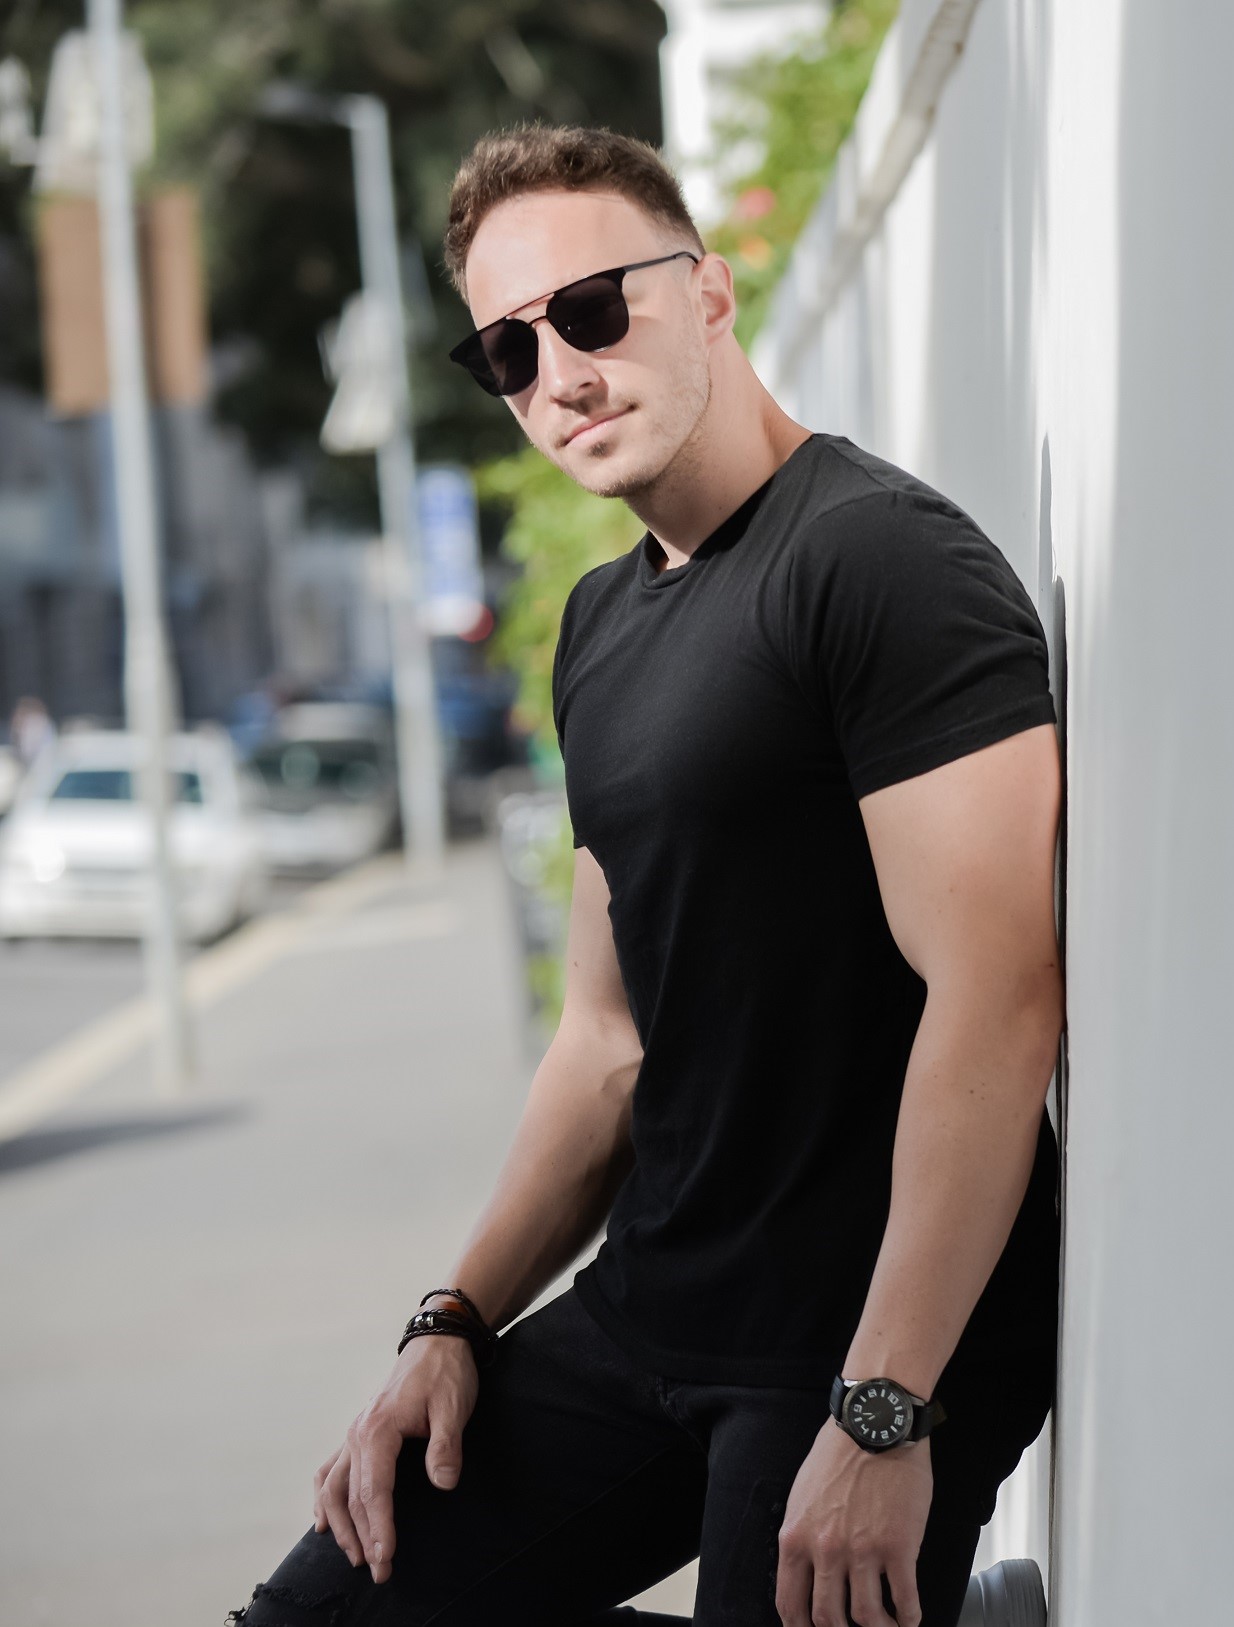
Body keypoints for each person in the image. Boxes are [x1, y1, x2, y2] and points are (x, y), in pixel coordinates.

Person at [229, 125, 1064, 1627]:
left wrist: (886, 1410)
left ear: (710, 293)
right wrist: (452, 1320)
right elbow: (604, 1040)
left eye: (593, 309)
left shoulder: (877, 563)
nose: (560, 371)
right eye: (509, 348)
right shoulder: (599, 627)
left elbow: (999, 996)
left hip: (863, 1341)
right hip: (655, 1310)